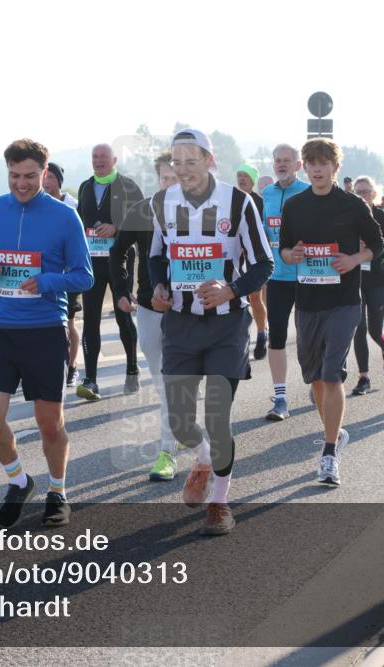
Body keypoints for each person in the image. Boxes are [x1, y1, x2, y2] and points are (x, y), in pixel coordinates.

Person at [0, 138, 94, 528]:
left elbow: (84, 276)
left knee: (49, 423)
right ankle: (19, 480)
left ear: (45, 173)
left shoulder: (64, 217)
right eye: (14, 176)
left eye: (30, 177)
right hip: (0, 329)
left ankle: (58, 491)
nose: (21, 184)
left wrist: (48, 281)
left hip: (45, 330)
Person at [149, 128, 274, 535]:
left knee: (218, 417)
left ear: (209, 160)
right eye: (177, 161)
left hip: (226, 325)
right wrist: (158, 288)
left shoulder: (238, 202)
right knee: (184, 423)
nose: (183, 169)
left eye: (191, 160)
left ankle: (220, 502)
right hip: (181, 325)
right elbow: (156, 257)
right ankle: (202, 456)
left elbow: (263, 264)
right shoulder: (161, 202)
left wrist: (231, 290)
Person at [280, 138, 384, 487]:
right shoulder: (294, 206)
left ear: (335, 168)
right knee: (314, 381)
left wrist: (354, 259)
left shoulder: (353, 206)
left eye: (324, 163)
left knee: (332, 373)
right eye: (311, 163)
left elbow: (379, 244)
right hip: (307, 303)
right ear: (304, 167)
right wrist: (290, 256)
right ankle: (335, 433)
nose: (317, 169)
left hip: (344, 302)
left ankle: (329, 455)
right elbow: (284, 249)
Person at [110, 151, 185, 481]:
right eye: (165, 179)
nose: (170, 184)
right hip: (149, 306)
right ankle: (178, 432)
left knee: (177, 382)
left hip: (191, 307)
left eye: (176, 179)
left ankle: (167, 450)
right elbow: (118, 253)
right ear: (158, 179)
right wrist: (122, 291)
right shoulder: (142, 211)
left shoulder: (198, 212)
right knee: (163, 382)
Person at [76, 143, 144, 401]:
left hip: (120, 260)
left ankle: (132, 369)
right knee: (90, 319)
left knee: (122, 316)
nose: (99, 161)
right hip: (92, 261)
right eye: (95, 157)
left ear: (114, 159)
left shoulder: (128, 186)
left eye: (104, 157)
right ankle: (90, 379)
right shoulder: (84, 187)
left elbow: (142, 220)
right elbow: (79, 221)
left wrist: (117, 228)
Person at [260, 144, 310, 420]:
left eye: (286, 160)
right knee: (276, 336)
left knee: (309, 337)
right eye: (277, 160)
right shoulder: (266, 194)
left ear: (297, 164)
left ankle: (317, 380)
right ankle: (280, 399)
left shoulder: (308, 191)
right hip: (276, 277)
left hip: (307, 276)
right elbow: (263, 233)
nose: (281, 164)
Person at [350, 176, 384, 396]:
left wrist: (372, 250)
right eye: (358, 191)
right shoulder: (348, 218)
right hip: (354, 280)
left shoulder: (382, 217)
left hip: (379, 280)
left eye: (366, 191)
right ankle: (364, 377)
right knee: (358, 328)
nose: (362, 195)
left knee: (374, 330)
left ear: (374, 194)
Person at [43, 162, 84, 386]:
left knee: (68, 323)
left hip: (69, 275)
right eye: (44, 177)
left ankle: (72, 366)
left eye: (51, 178)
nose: (46, 182)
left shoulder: (74, 207)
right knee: (44, 324)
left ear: (59, 181)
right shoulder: (36, 207)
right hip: (44, 275)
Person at [236, 163, 269, 360]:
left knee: (255, 298)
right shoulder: (231, 200)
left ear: (252, 180)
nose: (241, 179)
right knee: (236, 299)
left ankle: (261, 333)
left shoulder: (260, 202)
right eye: (239, 175)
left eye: (245, 176)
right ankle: (239, 338)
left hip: (254, 257)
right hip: (234, 257)